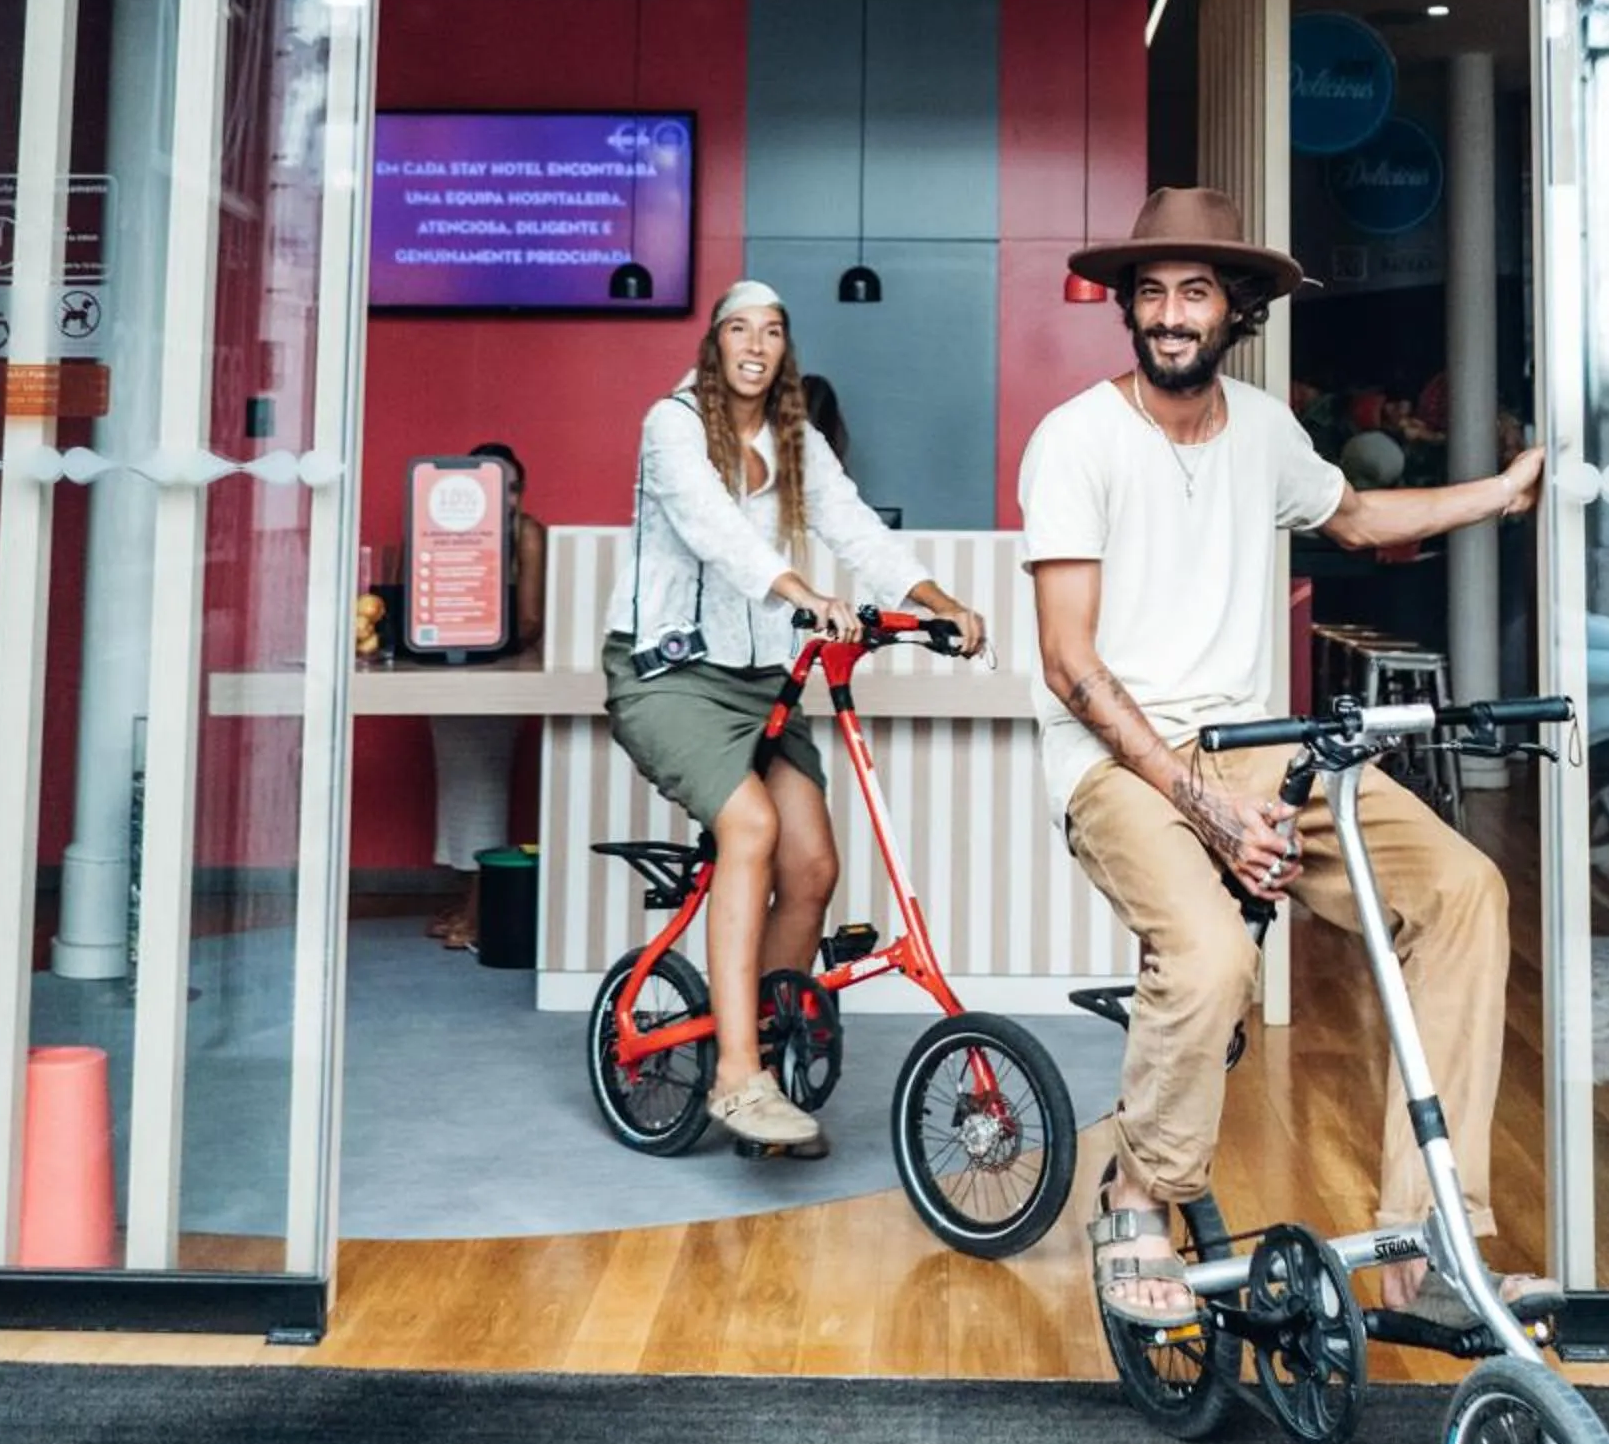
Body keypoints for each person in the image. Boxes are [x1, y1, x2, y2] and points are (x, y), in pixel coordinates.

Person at [1019, 185, 1553, 1330]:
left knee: (1463, 892)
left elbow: (1355, 517)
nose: (1167, 315)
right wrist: (1202, 806)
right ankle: (1135, 1199)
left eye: (1193, 293)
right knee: (1211, 960)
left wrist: (1501, 496)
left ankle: (1427, 1242)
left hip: (1261, 752)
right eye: (1149, 293)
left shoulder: (1264, 431)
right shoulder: (1074, 440)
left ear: (1236, 309)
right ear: (1127, 307)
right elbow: (1068, 664)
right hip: (1122, 767)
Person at [602, 280, 985, 1156]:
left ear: (784, 351)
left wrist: (936, 601)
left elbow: (857, 530)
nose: (756, 343)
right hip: (667, 676)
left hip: (759, 680)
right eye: (740, 328)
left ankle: (770, 1064)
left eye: (773, 331)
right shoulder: (671, 426)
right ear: (714, 342)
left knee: (811, 863)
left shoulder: (795, 438)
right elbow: (715, 532)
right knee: (752, 826)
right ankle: (737, 1075)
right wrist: (801, 592)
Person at [427, 442, 546, 951]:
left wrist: (471, 631)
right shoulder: (448, 532)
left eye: (514, 487)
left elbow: (529, 621)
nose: (508, 498)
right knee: (458, 786)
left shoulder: (527, 534)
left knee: (483, 787)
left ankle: (479, 915)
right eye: (495, 486)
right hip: (453, 668)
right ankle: (468, 900)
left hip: (498, 673)